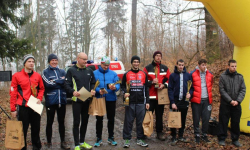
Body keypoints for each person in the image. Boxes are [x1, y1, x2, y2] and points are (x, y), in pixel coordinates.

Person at [10, 54, 45, 150]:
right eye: (29, 61)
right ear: (24, 63)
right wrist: (13, 109)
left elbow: (41, 89)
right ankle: (22, 148)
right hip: (23, 106)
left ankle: (36, 147)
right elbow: (13, 93)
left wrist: (39, 98)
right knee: (22, 130)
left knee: (36, 129)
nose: (31, 63)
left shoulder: (37, 76)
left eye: (33, 61)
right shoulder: (16, 76)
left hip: (35, 106)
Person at [64, 52, 96, 150]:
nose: (85, 61)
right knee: (76, 122)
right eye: (83, 59)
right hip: (77, 100)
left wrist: (92, 89)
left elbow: (93, 82)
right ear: (78, 58)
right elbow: (66, 84)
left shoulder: (89, 70)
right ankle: (77, 144)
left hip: (86, 99)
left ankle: (82, 142)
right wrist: (73, 91)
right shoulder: (71, 70)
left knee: (85, 121)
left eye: (86, 59)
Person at [42, 54, 70, 149]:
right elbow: (48, 84)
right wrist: (60, 81)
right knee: (50, 122)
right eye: (52, 60)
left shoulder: (62, 71)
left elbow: (66, 83)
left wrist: (55, 81)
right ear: (49, 61)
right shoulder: (45, 72)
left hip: (61, 100)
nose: (54, 62)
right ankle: (49, 142)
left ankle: (63, 142)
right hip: (51, 100)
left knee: (61, 122)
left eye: (56, 60)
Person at [122, 55, 150, 148]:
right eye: (134, 62)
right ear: (131, 63)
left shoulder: (143, 74)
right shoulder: (126, 74)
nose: (136, 63)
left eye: (137, 62)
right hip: (130, 101)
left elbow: (146, 88)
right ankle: (127, 139)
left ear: (139, 63)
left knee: (140, 121)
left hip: (141, 102)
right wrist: (125, 93)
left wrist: (148, 102)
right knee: (128, 121)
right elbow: (122, 86)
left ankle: (140, 139)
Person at [217, 59, 246, 147]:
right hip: (226, 104)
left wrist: (238, 101)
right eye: (232, 66)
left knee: (235, 122)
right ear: (228, 66)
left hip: (236, 104)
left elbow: (243, 89)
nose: (234, 68)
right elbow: (222, 90)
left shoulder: (240, 77)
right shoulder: (223, 77)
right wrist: (230, 100)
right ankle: (222, 138)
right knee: (223, 121)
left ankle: (235, 139)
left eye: (235, 66)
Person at [93, 56, 120, 147]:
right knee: (99, 119)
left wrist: (115, 87)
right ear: (100, 64)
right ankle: (98, 138)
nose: (106, 67)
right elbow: (92, 85)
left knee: (111, 119)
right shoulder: (94, 73)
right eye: (104, 65)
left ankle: (111, 137)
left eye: (108, 65)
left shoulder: (113, 73)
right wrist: (97, 91)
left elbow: (118, 83)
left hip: (110, 98)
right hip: (99, 98)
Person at [143, 51, 170, 141]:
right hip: (150, 96)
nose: (158, 57)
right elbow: (143, 81)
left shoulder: (165, 68)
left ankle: (159, 133)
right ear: (154, 57)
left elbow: (170, 80)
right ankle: (145, 132)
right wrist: (151, 82)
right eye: (157, 56)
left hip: (160, 97)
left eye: (160, 56)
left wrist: (164, 85)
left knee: (159, 116)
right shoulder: (147, 68)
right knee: (148, 115)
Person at [190, 59, 213, 144]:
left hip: (207, 100)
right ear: (198, 65)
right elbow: (190, 86)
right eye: (203, 65)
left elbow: (211, 85)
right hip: (196, 100)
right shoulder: (192, 74)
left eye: (205, 65)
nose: (204, 66)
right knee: (196, 118)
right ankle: (197, 135)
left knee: (206, 118)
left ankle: (204, 135)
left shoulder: (210, 74)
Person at [168, 59, 191, 145]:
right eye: (179, 65)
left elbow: (191, 87)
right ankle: (173, 137)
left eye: (182, 65)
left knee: (183, 119)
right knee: (174, 118)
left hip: (184, 101)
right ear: (176, 65)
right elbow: (169, 89)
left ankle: (180, 136)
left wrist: (190, 94)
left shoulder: (188, 75)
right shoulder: (172, 75)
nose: (181, 66)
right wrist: (172, 102)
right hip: (175, 101)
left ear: (184, 65)